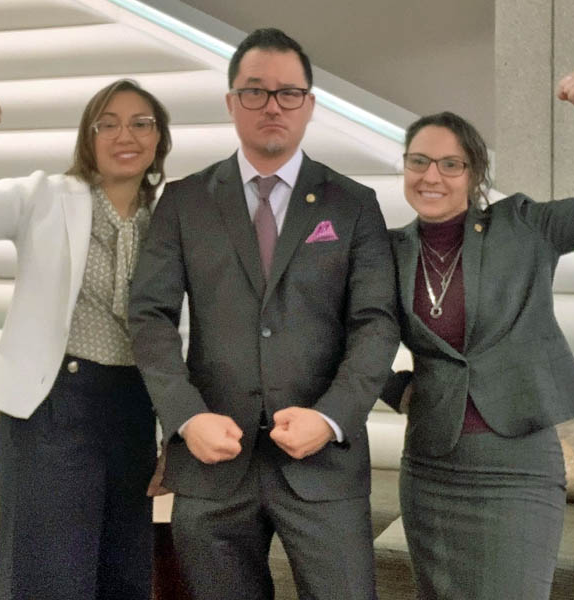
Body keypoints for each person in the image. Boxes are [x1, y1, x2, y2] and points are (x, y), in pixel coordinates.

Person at [129, 28, 399, 600]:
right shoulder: (184, 201)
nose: (272, 106)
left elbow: (376, 325)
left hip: (324, 466)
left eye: (288, 93)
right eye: (254, 91)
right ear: (231, 102)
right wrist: (186, 417)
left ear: (309, 105)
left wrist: (331, 418)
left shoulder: (353, 204)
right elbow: (150, 317)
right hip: (212, 460)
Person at [380, 68, 574, 599]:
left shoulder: (525, 226)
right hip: (431, 467)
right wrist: (397, 390)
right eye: (419, 161)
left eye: (450, 164)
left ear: (474, 173)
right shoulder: (387, 250)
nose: (431, 175)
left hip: (519, 467)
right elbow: (346, 335)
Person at [0, 79, 172, 600]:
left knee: (123, 577)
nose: (126, 135)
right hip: (52, 408)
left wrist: (176, 434)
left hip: (136, 411)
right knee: (47, 577)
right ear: (88, 137)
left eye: (142, 123)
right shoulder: (44, 196)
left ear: (159, 137)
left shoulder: (170, 219)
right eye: (108, 124)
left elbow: (182, 330)